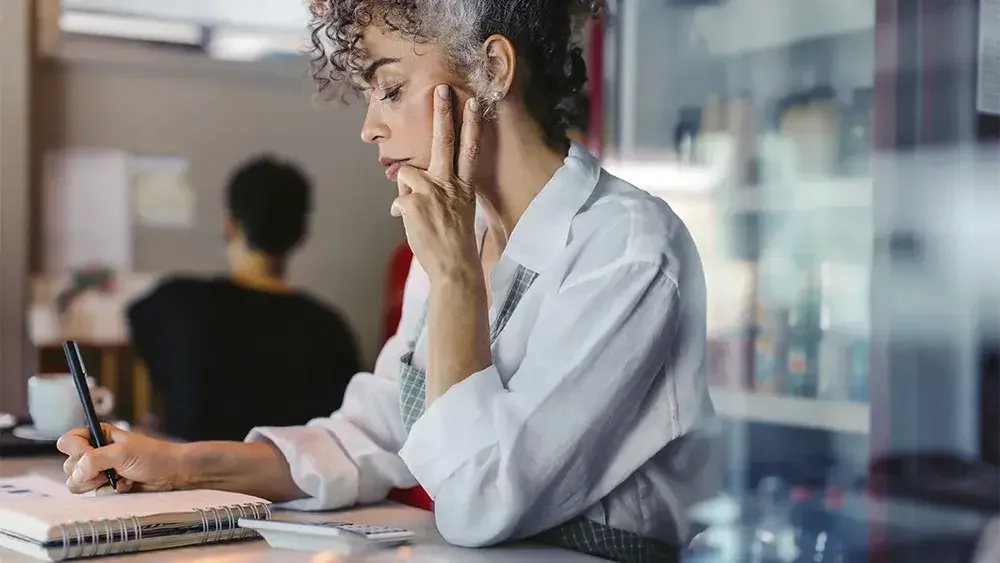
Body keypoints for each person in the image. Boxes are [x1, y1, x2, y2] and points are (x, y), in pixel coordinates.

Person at [58, 1, 716, 561]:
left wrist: (457, 275)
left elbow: (478, 499)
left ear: (492, 70)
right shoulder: (460, 230)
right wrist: (177, 465)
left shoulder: (627, 249)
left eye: (391, 88)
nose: (370, 125)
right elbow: (367, 437)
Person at [126, 155, 360, 441]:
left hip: (188, 476)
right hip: (288, 483)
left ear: (229, 224)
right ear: (301, 234)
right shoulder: (330, 331)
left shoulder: (175, 303)